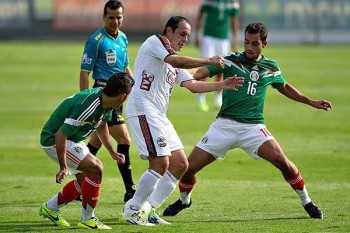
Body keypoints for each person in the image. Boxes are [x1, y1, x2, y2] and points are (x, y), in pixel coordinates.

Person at [163, 22, 332, 220]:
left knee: (283, 162)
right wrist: (180, 72)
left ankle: (307, 202)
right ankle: (184, 200)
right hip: (224, 125)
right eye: (246, 42)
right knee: (188, 168)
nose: (249, 47)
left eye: (254, 43)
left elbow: (284, 86)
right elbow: (199, 74)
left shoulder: (270, 67)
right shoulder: (230, 60)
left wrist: (310, 101)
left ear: (264, 44)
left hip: (253, 127)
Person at [122, 16, 244, 226]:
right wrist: (208, 60)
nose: (185, 39)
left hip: (158, 115)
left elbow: (193, 84)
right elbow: (176, 61)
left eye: (188, 35)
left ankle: (148, 209)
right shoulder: (156, 43)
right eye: (182, 34)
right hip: (143, 109)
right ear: (168, 30)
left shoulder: (174, 58)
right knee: (160, 163)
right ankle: (132, 209)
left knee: (180, 164)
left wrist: (222, 85)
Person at [39, 73, 134, 229]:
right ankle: (88, 219)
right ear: (122, 96)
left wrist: (111, 151)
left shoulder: (107, 101)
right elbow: (60, 135)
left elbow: (102, 125)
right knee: (96, 169)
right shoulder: (89, 106)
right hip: (53, 140)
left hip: (71, 139)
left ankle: (50, 208)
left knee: (85, 181)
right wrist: (63, 167)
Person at [79, 0, 136, 203]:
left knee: (95, 142)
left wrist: (135, 87)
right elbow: (84, 73)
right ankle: (130, 190)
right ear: (104, 17)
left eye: (119, 17)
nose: (115, 21)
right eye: (111, 17)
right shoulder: (96, 40)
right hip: (103, 97)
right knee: (124, 140)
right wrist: (85, 101)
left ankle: (78, 184)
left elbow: (125, 66)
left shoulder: (123, 38)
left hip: (120, 95)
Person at [195, 0, 240, 112]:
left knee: (221, 67)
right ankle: (200, 98)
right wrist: (196, 34)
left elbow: (234, 20)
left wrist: (235, 39)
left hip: (224, 38)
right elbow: (200, 16)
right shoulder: (208, 2)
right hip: (208, 37)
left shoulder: (232, 2)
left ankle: (218, 99)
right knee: (205, 66)